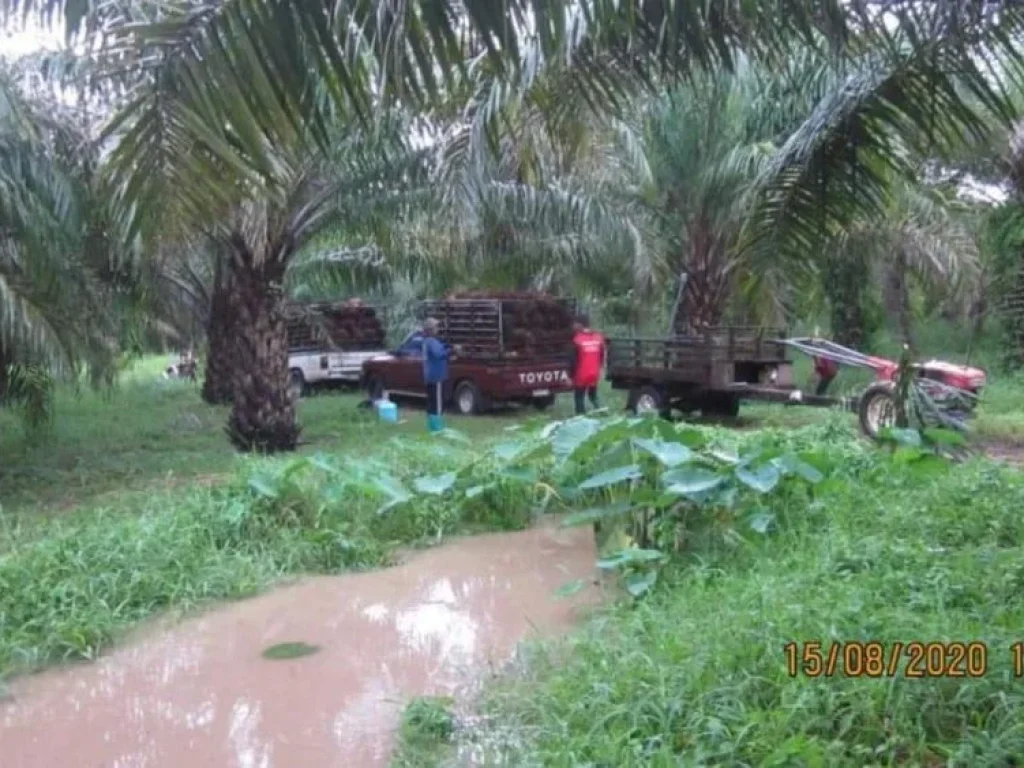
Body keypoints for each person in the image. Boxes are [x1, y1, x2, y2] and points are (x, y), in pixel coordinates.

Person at [569, 313, 605, 415]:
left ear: (580, 325)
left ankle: (581, 417)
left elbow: (573, 361)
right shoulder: (598, 338)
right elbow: (601, 355)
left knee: (579, 397)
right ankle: (602, 412)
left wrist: (570, 377)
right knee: (593, 396)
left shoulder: (577, 340)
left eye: (575, 324)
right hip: (594, 374)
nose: (573, 326)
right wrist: (600, 369)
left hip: (581, 375)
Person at [422, 317, 451, 433]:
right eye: (436, 327)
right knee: (438, 404)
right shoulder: (431, 342)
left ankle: (432, 427)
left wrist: (447, 347)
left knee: (431, 403)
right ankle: (438, 429)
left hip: (430, 377)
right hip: (437, 377)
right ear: (430, 329)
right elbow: (439, 354)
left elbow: (440, 349)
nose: (438, 329)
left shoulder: (428, 342)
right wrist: (451, 351)